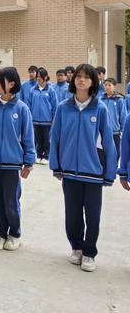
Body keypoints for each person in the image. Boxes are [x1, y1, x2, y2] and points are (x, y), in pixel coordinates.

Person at [49, 63, 117, 273]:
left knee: (93, 216)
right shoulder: (63, 107)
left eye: (86, 77)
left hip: (94, 173)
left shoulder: (100, 108)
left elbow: (108, 142)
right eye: (78, 76)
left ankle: (89, 253)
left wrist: (109, 173)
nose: (81, 80)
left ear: (93, 82)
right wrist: (56, 165)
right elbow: (56, 138)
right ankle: (76, 247)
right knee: (73, 215)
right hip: (69, 171)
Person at [0, 67, 35, 251]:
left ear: (11, 83)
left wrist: (29, 162)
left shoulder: (22, 109)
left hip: (12, 164)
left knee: (11, 202)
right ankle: (1, 233)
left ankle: (14, 234)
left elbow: (28, 137)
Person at [29, 67, 57, 165]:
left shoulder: (51, 90)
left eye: (40, 77)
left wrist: (54, 119)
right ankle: (38, 155)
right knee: (38, 139)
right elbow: (29, 104)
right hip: (35, 120)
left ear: (45, 77)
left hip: (47, 120)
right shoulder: (33, 90)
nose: (38, 79)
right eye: (37, 77)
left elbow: (55, 106)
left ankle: (46, 156)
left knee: (46, 139)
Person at [100, 78, 126, 160]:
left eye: (109, 85)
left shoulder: (119, 100)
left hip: (115, 132)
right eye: (106, 85)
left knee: (116, 153)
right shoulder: (100, 99)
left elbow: (123, 115)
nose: (107, 87)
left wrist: (123, 130)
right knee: (103, 152)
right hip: (102, 132)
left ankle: (113, 170)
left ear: (114, 87)